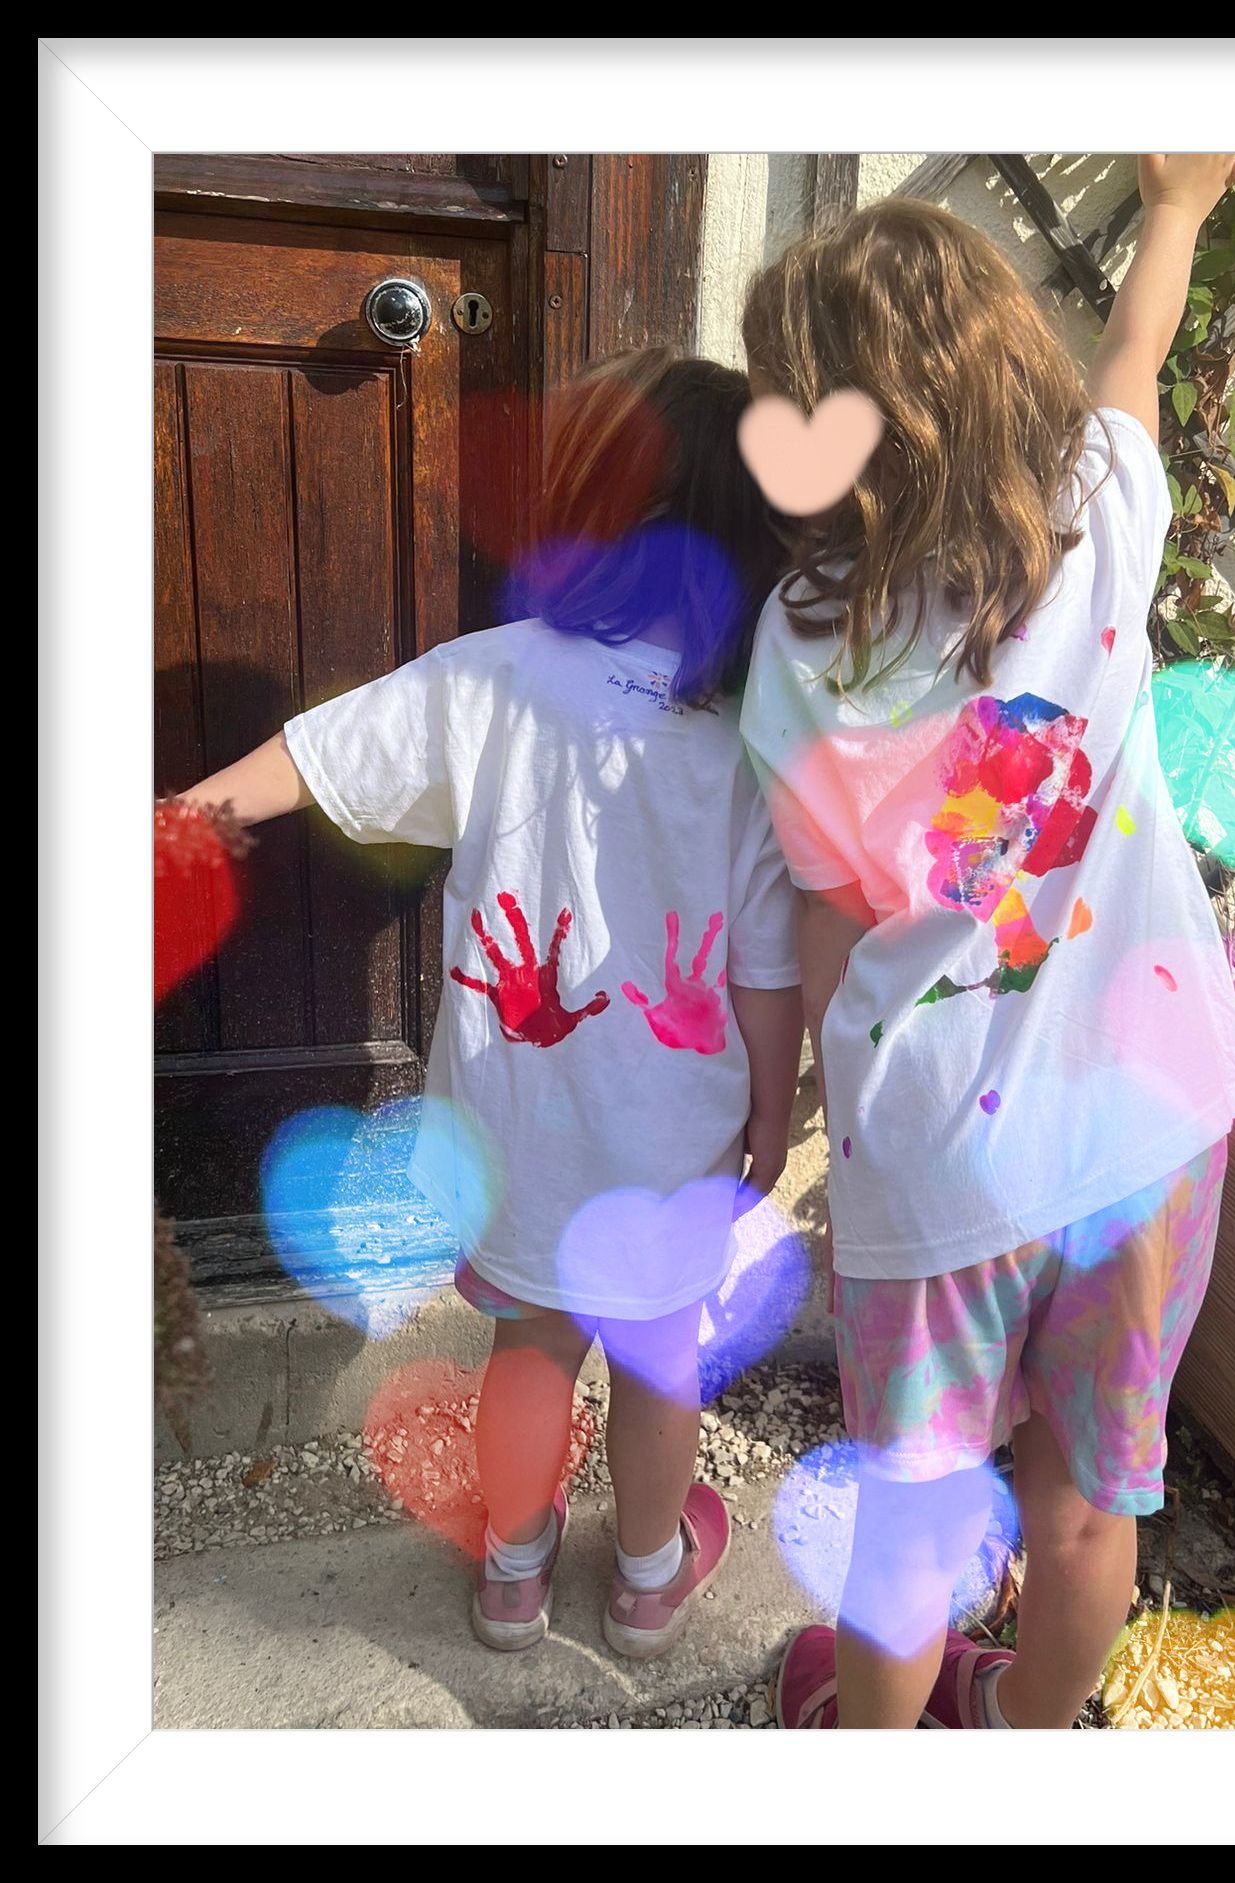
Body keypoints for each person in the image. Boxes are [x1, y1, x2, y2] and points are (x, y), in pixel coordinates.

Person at [739, 156, 1235, 1727]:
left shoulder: (804, 648)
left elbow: (837, 911)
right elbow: (1133, 363)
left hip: (947, 1158)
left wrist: (818, 1114)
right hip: (1150, 1125)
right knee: (1092, 1508)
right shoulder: (1103, 514)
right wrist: (1176, 207)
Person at [178, 347, 803, 1660]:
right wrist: (766, 1112)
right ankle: (644, 1581)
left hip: (515, 1116)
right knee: (653, 1356)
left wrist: (190, 817)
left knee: (528, 1341)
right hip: (670, 1120)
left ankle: (512, 1580)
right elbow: (765, 958)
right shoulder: (752, 731)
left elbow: (319, 752)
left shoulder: (497, 672)